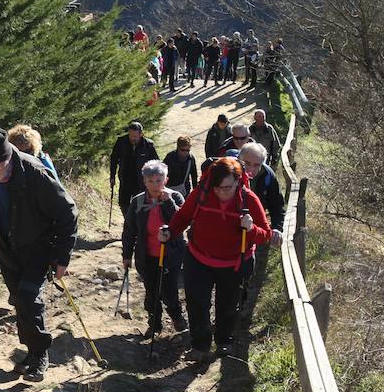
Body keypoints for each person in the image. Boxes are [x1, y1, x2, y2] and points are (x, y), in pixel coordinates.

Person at [0, 127, 78, 382]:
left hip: (39, 243)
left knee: (27, 296)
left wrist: (62, 255)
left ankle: (40, 354)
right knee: (19, 299)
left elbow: (67, 212)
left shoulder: (33, 172)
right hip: (6, 246)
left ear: (9, 158)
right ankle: (32, 350)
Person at [158, 157, 272, 361]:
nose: (221, 192)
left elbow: (265, 234)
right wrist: (170, 232)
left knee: (227, 305)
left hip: (233, 263)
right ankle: (200, 346)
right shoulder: (202, 193)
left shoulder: (249, 200)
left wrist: (251, 228)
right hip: (198, 257)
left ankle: (224, 342)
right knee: (196, 302)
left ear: (239, 181)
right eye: (217, 187)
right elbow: (183, 217)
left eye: (227, 187)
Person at [122, 160, 188, 338]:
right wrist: (126, 255)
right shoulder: (138, 201)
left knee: (169, 290)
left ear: (166, 179)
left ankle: (176, 317)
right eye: (150, 181)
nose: (155, 185)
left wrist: (167, 203)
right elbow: (129, 230)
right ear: (144, 181)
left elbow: (181, 222)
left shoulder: (175, 197)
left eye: (159, 180)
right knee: (151, 292)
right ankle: (154, 324)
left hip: (171, 254)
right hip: (147, 255)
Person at [237, 142, 284, 322]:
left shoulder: (267, 176)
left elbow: (277, 205)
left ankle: (239, 305)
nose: (251, 169)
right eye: (247, 163)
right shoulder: (227, 170)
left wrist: (277, 228)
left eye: (257, 165)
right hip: (229, 226)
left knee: (246, 268)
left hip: (253, 229)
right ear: (239, 159)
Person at [110, 121, 160, 217]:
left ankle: (137, 225)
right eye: (130, 135)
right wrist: (112, 176)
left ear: (141, 134)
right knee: (123, 204)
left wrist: (155, 181)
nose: (132, 138)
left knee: (140, 206)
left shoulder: (148, 145)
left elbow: (156, 164)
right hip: (125, 179)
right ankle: (128, 221)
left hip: (141, 182)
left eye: (135, 136)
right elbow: (113, 159)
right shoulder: (121, 142)